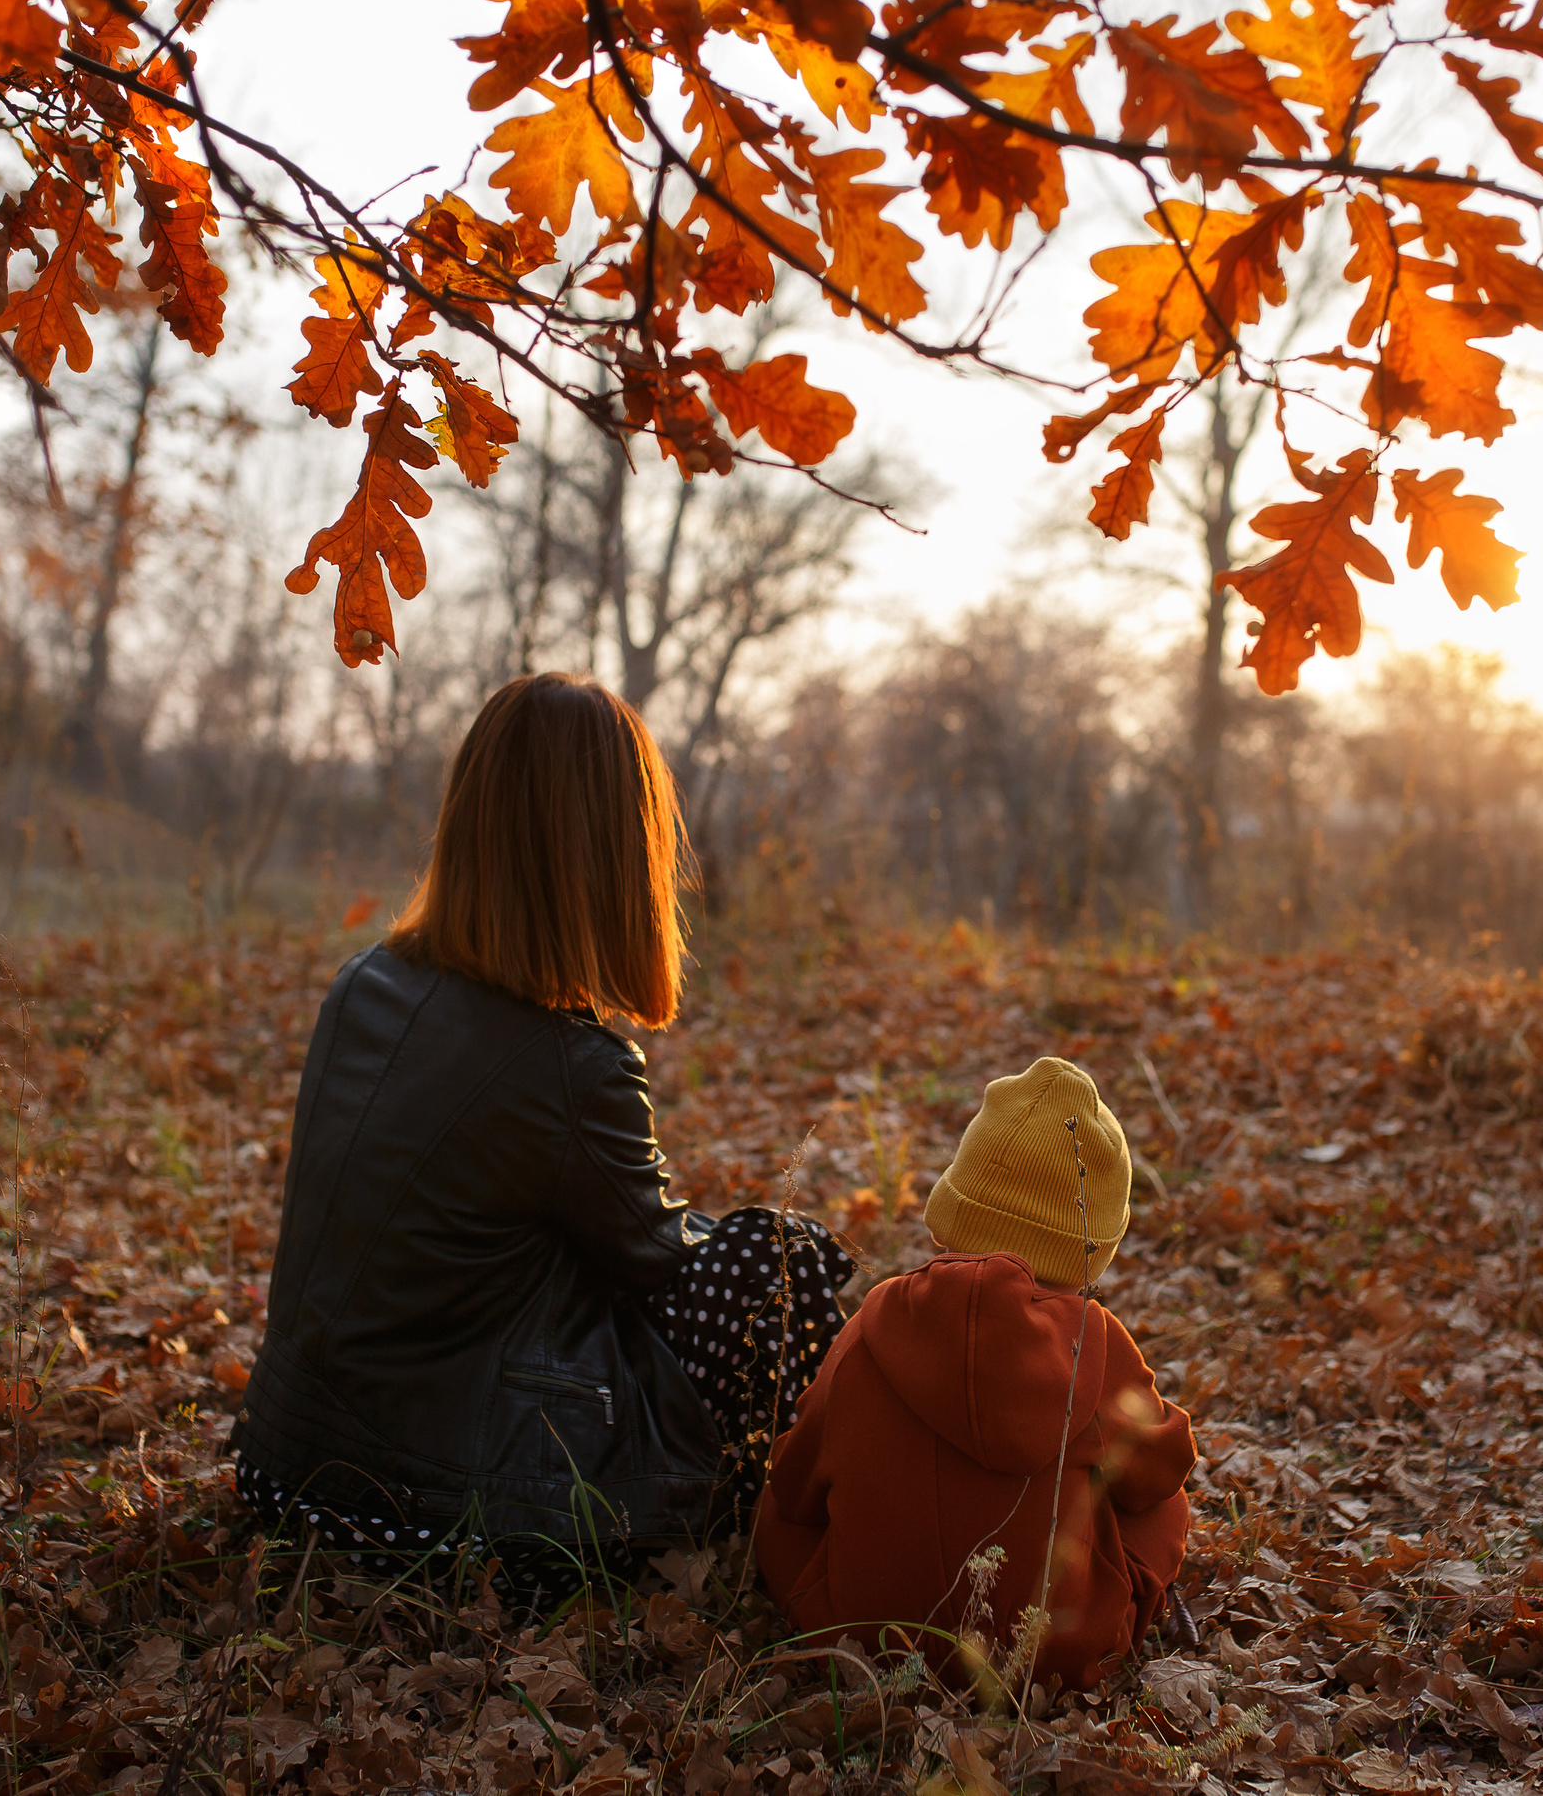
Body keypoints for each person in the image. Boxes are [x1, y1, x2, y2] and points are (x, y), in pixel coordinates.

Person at [228, 673, 851, 1601]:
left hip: (284, 1472)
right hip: (425, 1514)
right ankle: (822, 1532)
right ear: (609, 852)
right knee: (778, 1272)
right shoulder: (571, 1065)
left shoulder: (362, 982)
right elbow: (661, 1261)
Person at [753, 1057, 1195, 1692]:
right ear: (1093, 1242)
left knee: (773, 1506)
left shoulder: (871, 1326)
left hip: (862, 1645)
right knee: (1162, 1505)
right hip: (1050, 1658)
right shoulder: (1095, 1345)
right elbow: (1163, 1471)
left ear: (955, 1203)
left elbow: (796, 1489)